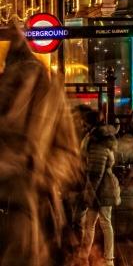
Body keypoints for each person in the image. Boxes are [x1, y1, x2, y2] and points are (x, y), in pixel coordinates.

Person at [0, 24, 81, 266]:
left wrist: (35, 169)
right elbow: (70, 158)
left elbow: (69, 158)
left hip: (27, 214)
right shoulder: (50, 93)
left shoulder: (49, 94)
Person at [80, 124, 119, 266]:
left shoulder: (97, 146)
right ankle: (107, 258)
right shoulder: (106, 144)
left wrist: (89, 196)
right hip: (106, 188)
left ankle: (89, 256)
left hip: (101, 190)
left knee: (94, 223)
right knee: (103, 223)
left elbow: (96, 174)